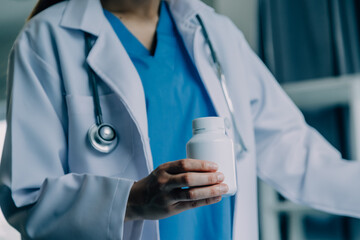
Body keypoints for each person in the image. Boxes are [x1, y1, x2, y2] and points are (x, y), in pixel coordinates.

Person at [0, 0, 359, 239]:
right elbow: (26, 200)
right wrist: (135, 199)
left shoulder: (215, 32)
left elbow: (296, 152)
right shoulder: (47, 40)